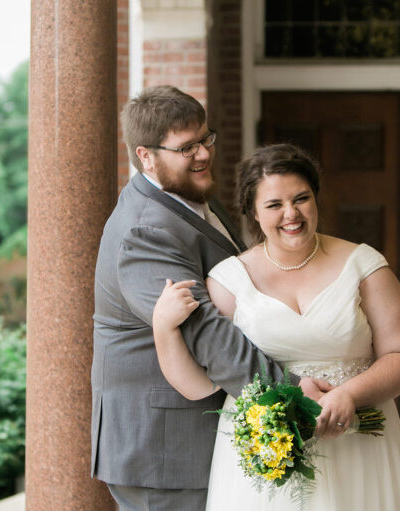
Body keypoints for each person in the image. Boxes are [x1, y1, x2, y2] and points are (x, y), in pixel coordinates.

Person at [153, 144, 400, 510]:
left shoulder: (363, 265)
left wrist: (349, 395)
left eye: (302, 198)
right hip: (267, 459)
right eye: (274, 205)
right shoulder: (229, 281)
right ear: (252, 211)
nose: (291, 214)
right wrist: (164, 328)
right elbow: (198, 385)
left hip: (359, 446)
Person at [91, 86, 318, 511]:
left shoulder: (193, 195)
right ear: (146, 156)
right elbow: (206, 331)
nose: (203, 155)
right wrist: (292, 396)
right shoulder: (147, 230)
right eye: (186, 147)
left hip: (192, 442)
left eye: (205, 139)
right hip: (164, 451)